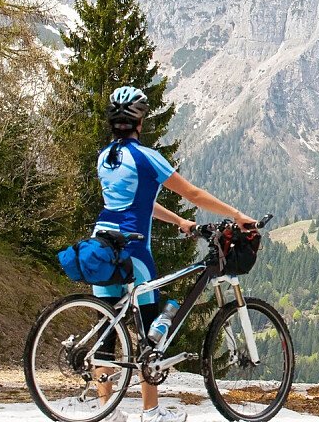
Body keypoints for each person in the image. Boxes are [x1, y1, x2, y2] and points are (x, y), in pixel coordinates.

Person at [93, 86, 256, 422]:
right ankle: (151, 413)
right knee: (150, 331)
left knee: (107, 328)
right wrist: (237, 215)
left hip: (101, 243)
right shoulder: (146, 157)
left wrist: (178, 220)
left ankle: (103, 412)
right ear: (140, 122)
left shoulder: (105, 157)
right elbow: (193, 193)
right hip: (134, 248)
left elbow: (135, 202)